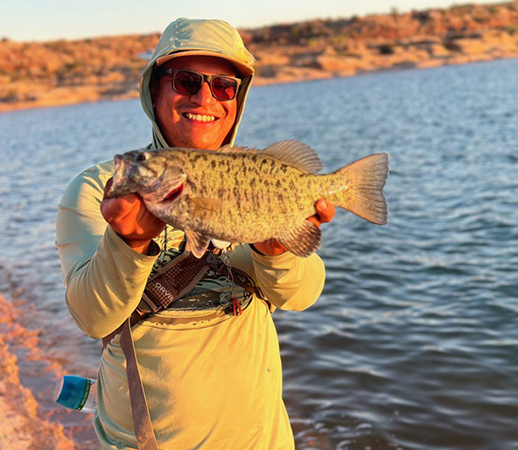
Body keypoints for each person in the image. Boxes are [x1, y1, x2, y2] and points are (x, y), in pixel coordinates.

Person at [56, 17, 335, 449]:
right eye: (187, 81)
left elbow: (301, 295)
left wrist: (276, 250)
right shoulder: (100, 190)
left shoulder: (259, 178)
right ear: (155, 91)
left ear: (237, 101)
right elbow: (92, 317)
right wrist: (127, 244)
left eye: (224, 86)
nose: (204, 97)